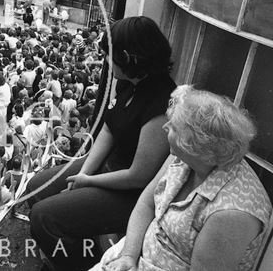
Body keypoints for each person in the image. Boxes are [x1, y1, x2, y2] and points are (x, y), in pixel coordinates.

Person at [27, 16, 176, 270]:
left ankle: (80, 263)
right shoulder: (128, 82)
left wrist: (88, 181)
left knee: (43, 218)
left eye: (110, 54)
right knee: (37, 187)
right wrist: (83, 172)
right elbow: (110, 127)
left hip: (129, 191)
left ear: (129, 58)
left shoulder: (162, 104)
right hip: (108, 166)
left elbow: (138, 177)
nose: (107, 60)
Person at [92, 86, 272, 271]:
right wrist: (128, 256)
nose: (165, 127)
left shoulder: (232, 213)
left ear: (196, 145)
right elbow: (146, 204)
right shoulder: (183, 158)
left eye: (174, 128)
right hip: (132, 256)